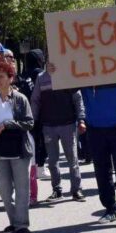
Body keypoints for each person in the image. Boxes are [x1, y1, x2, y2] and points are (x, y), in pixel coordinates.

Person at [46, 64, 116, 228]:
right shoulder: (86, 74)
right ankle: (111, 209)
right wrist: (56, 72)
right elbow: (67, 88)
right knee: (102, 172)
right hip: (95, 129)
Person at [0, 59, 35, 233]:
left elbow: (29, 123)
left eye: (2, 77)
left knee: (22, 189)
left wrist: (7, 124)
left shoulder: (20, 99)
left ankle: (21, 224)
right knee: (4, 191)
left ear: (10, 78)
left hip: (20, 150)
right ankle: (13, 221)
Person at [30, 61, 86, 202]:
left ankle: (76, 190)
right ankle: (57, 190)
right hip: (48, 126)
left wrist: (81, 119)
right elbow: (35, 100)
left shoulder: (67, 76)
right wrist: (33, 121)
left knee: (72, 159)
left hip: (68, 124)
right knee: (53, 161)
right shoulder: (40, 78)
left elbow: (78, 99)